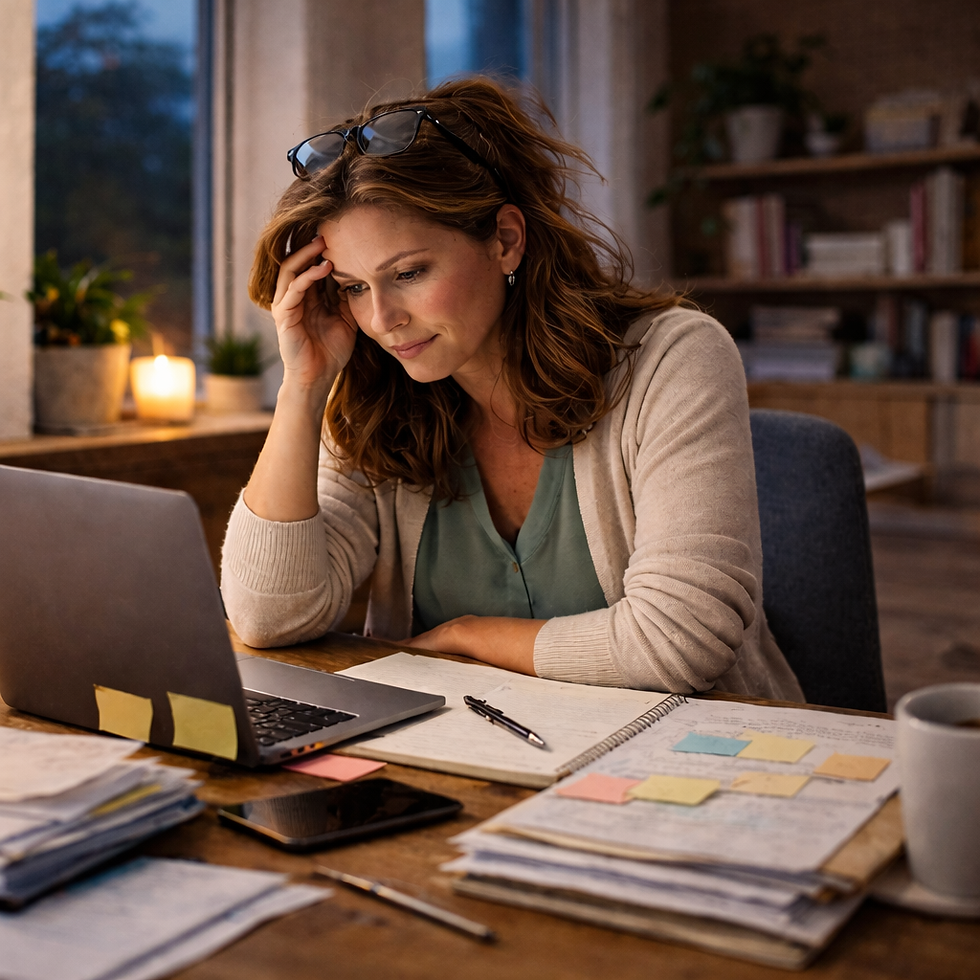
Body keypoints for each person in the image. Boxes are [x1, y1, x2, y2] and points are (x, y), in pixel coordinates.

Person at [221, 77, 804, 702]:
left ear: (505, 239)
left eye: (410, 273)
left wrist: (472, 638)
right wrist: (303, 386)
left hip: (689, 761)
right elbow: (268, 618)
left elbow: (680, 643)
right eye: (356, 287)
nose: (382, 319)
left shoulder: (672, 358)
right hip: (464, 762)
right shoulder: (371, 390)